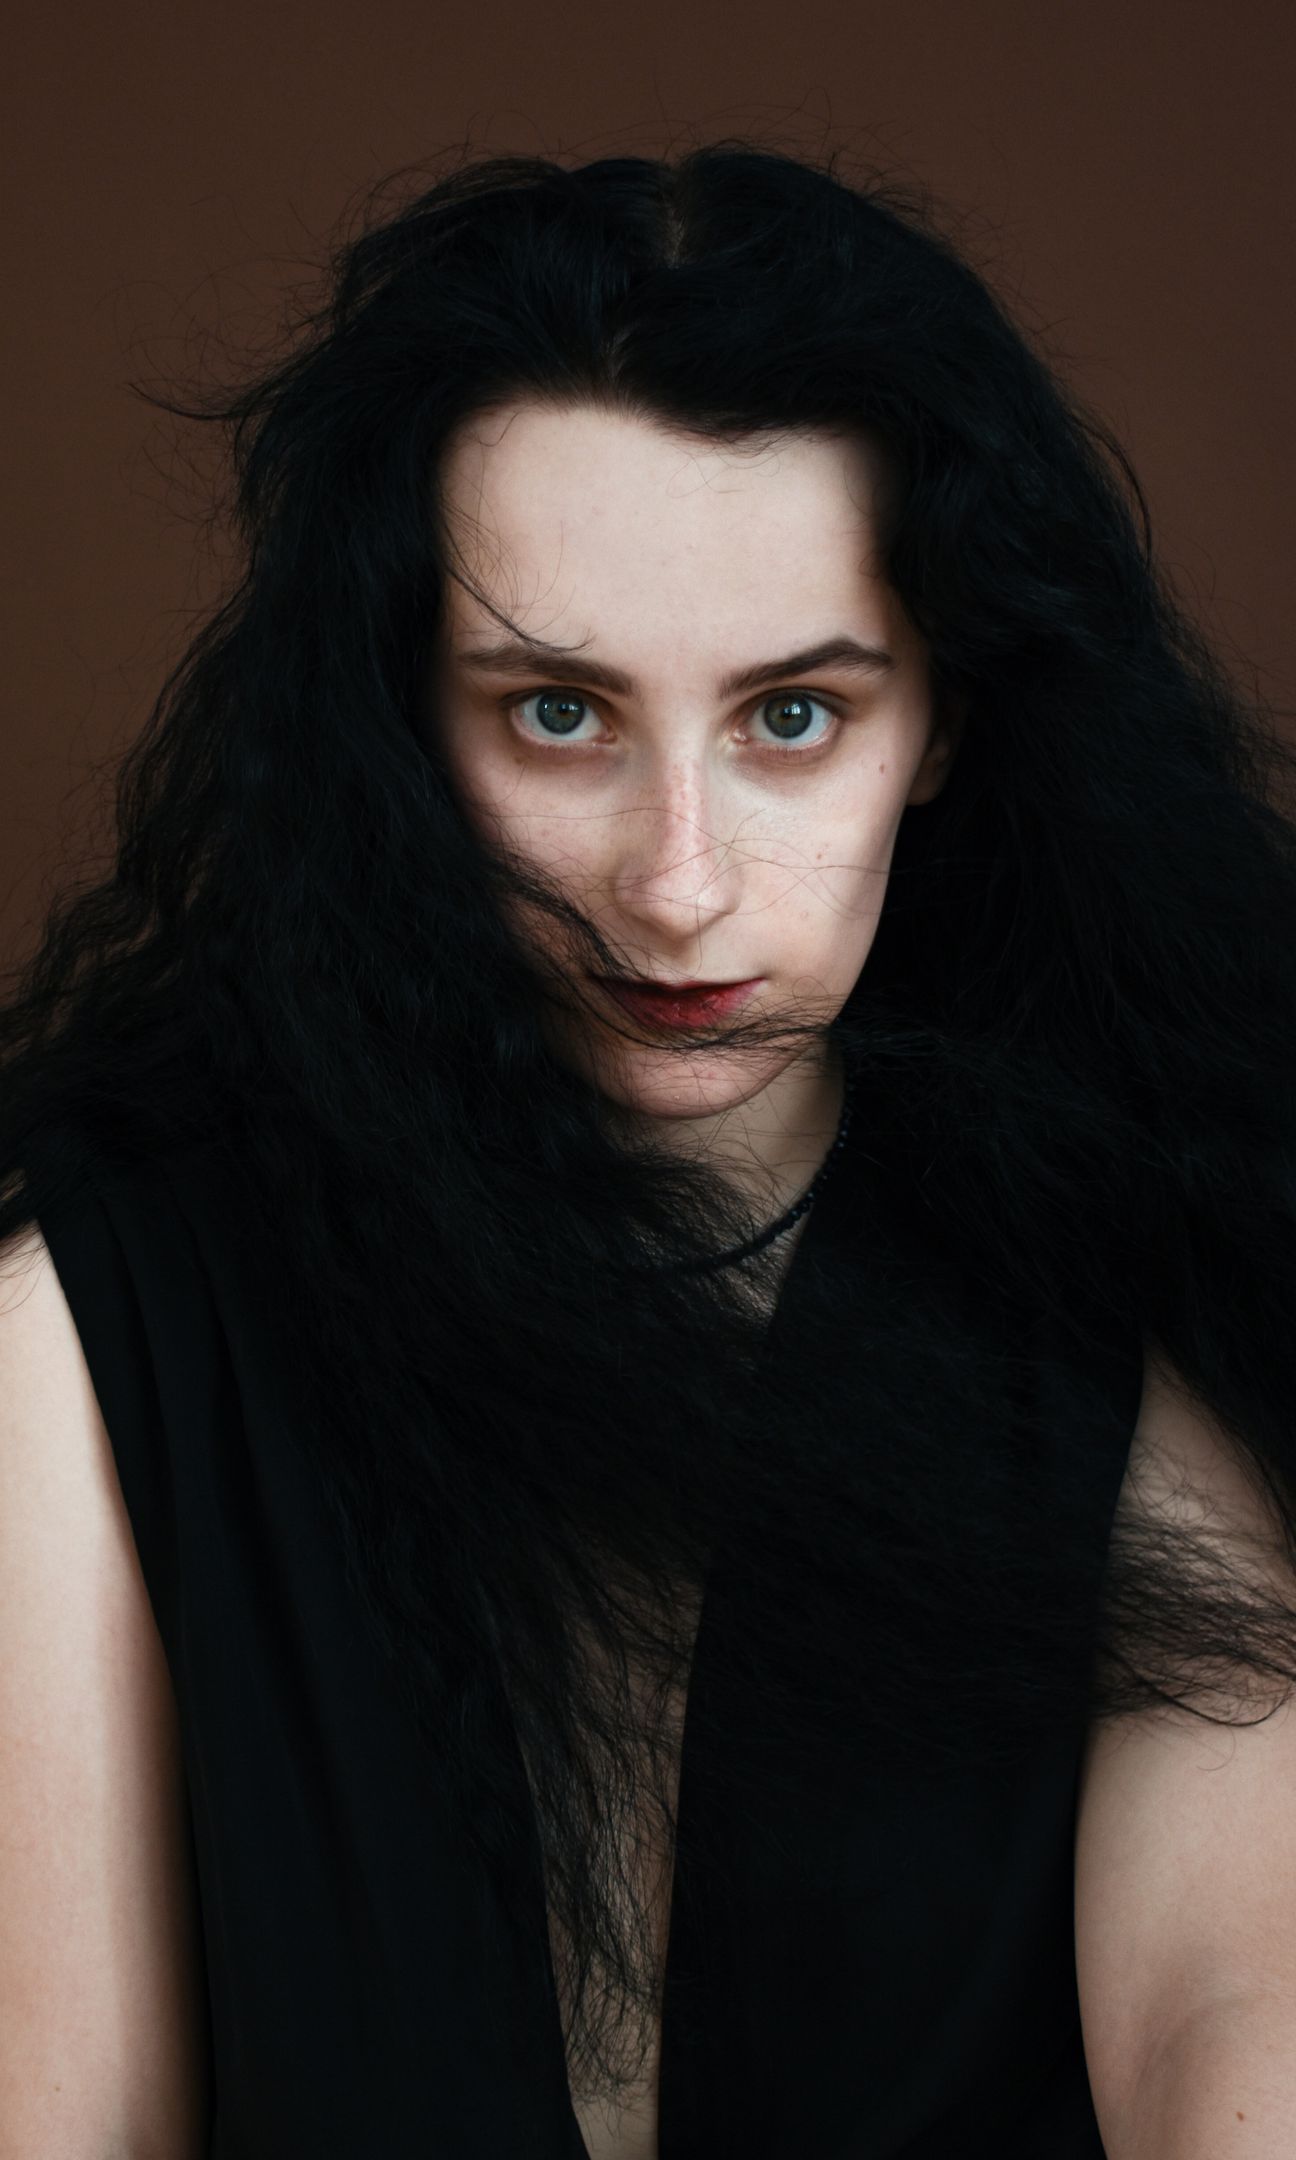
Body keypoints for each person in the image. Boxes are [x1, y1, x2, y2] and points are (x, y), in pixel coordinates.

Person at [2, 139, 1295, 2160]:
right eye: (555, 715)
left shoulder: (1155, 1323)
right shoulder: (89, 1329)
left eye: (793, 718)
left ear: (943, 723)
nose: (677, 888)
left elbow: (1245, 2052)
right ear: (401, 729)